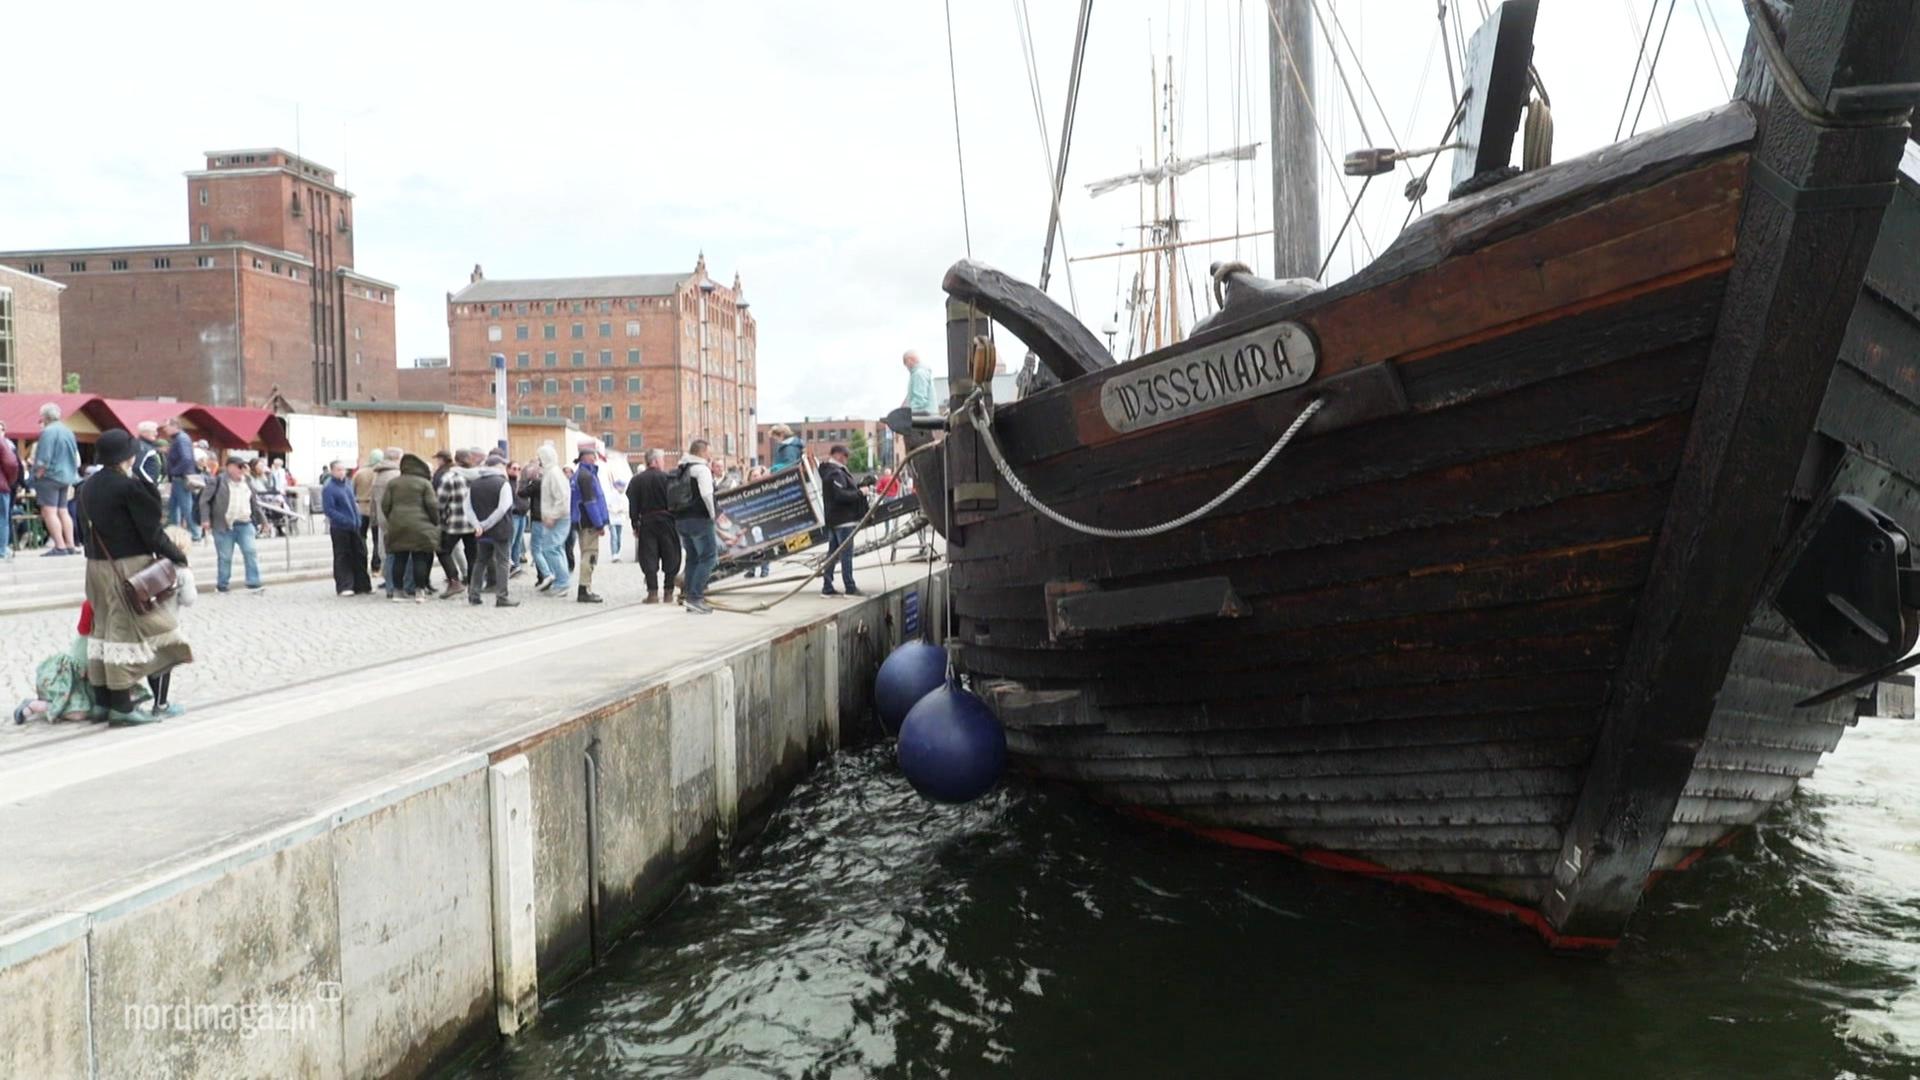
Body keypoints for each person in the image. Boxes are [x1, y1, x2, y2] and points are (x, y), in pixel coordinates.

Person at [75, 429, 194, 725]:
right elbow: (152, 533)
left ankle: (102, 702)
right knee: (125, 631)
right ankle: (122, 707)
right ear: (129, 456)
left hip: (95, 568)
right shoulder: (130, 488)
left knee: (102, 630)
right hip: (127, 568)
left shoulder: (86, 487)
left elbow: (81, 533)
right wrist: (178, 556)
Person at [198, 455, 266, 594]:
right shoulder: (217, 481)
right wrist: (205, 519)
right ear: (229, 467)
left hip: (245, 523)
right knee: (225, 557)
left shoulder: (247, 482)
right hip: (223, 524)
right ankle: (222, 584)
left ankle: (253, 582)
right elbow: (204, 501)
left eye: (243, 467)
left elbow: (254, 503)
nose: (241, 470)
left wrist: (263, 520)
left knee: (250, 551)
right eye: (238, 466)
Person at [380, 452, 441, 603]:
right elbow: (432, 505)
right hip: (421, 526)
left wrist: (393, 519)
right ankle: (419, 591)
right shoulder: (424, 483)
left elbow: (385, 505)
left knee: (399, 558)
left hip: (398, 526)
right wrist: (435, 521)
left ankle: (397, 591)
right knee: (419, 558)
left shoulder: (393, 483)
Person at [673, 438, 719, 614]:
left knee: (692, 557)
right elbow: (707, 494)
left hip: (681, 519)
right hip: (699, 518)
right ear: (702, 452)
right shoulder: (701, 470)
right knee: (708, 557)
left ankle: (687, 596)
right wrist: (713, 515)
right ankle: (695, 597)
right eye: (709, 451)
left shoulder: (681, 468)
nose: (710, 455)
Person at [466, 453, 519, 608]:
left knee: (480, 561)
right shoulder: (503, 484)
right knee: (502, 562)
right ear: (498, 467)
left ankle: (473, 594)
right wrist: (486, 524)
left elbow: (467, 507)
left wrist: (478, 525)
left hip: (481, 531)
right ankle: (502, 596)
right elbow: (503, 508)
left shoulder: (474, 484)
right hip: (500, 529)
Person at [628, 448, 680, 604]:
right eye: (662, 460)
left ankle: (652, 593)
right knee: (671, 555)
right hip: (667, 520)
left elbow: (633, 505)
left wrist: (635, 524)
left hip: (647, 521)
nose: (663, 463)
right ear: (656, 461)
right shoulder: (668, 479)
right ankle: (668, 592)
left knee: (649, 556)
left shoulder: (636, 480)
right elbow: (676, 501)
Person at [29, 402, 80, 555]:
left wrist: (37, 474)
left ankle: (60, 546)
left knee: (49, 511)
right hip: (68, 476)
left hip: (50, 476)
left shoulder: (48, 432)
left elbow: (44, 458)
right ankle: (71, 545)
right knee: (63, 511)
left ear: (44, 417)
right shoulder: (68, 431)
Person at [817, 444, 867, 597]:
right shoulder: (835, 473)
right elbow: (841, 495)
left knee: (833, 553)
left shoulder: (828, 472)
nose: (847, 460)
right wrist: (860, 492)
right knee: (846, 554)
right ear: (838, 455)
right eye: (846, 457)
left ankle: (827, 587)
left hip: (833, 519)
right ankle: (850, 587)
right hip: (843, 519)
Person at [322, 460, 372, 596]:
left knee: (360, 555)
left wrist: (358, 519)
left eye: (343, 469)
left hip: (354, 525)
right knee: (343, 556)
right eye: (338, 470)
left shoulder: (348, 484)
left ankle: (362, 585)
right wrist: (344, 520)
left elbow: (353, 503)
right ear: (332, 471)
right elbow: (329, 509)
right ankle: (345, 585)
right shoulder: (329, 488)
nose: (342, 472)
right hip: (340, 527)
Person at [435, 448, 478, 599]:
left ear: (456, 459)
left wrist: (441, 518)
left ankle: (454, 581)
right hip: (475, 523)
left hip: (455, 522)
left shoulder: (450, 477)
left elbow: (440, 502)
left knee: (442, 550)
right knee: (473, 555)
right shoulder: (477, 476)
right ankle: (474, 587)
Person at [571, 442, 609, 604]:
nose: (595, 459)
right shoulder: (586, 477)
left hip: (581, 521)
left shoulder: (579, 474)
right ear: (587, 458)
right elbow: (590, 502)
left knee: (587, 553)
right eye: (593, 457)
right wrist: (599, 524)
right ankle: (584, 589)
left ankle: (585, 588)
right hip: (588, 523)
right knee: (590, 554)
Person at [533, 443, 572, 594]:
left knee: (550, 549)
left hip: (558, 518)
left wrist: (553, 516)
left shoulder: (554, 473)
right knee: (556, 549)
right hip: (557, 517)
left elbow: (562, 498)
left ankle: (562, 582)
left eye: (540, 457)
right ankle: (562, 580)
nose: (538, 460)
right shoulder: (551, 472)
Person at [161, 419, 201, 540]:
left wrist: (173, 472)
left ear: (175, 426)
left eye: (166, 426)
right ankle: (175, 531)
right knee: (174, 506)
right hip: (180, 477)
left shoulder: (181, 439)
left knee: (185, 506)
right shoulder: (181, 438)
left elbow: (186, 459)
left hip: (181, 477)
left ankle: (195, 533)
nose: (165, 429)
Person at [370, 447, 402, 595]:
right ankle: (397, 585)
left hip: (383, 519)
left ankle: (389, 584)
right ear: (397, 458)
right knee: (398, 554)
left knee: (387, 553)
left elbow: (374, 502)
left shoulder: (378, 476)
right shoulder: (397, 475)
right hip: (397, 519)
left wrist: (374, 519)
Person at [353, 449, 383, 573]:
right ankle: (376, 566)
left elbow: (352, 490)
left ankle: (362, 564)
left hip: (361, 508)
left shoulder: (360, 473)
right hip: (376, 509)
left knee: (361, 537)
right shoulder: (380, 473)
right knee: (377, 540)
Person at [507, 460, 530, 573]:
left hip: (523, 515)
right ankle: (508, 565)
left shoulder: (520, 482)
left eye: (518, 469)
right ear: (508, 469)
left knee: (518, 542)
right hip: (514, 515)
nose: (516, 471)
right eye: (514, 468)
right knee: (511, 541)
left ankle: (516, 564)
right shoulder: (507, 483)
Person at [0, 419, 18, 560]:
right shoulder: (3, 443)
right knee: (2, 518)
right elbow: (11, 464)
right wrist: (10, 481)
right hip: (1, 486)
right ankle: (1, 549)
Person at [133, 422, 166, 489]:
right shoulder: (142, 446)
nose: (156, 433)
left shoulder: (147, 445)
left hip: (148, 485)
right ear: (144, 433)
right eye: (153, 431)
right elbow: (137, 467)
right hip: (145, 486)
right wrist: (150, 482)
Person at [903, 349, 936, 414]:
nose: (907, 368)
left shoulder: (918, 374)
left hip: (923, 418)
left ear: (909, 360)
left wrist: (906, 413)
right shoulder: (923, 373)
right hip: (928, 415)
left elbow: (920, 400)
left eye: (906, 364)